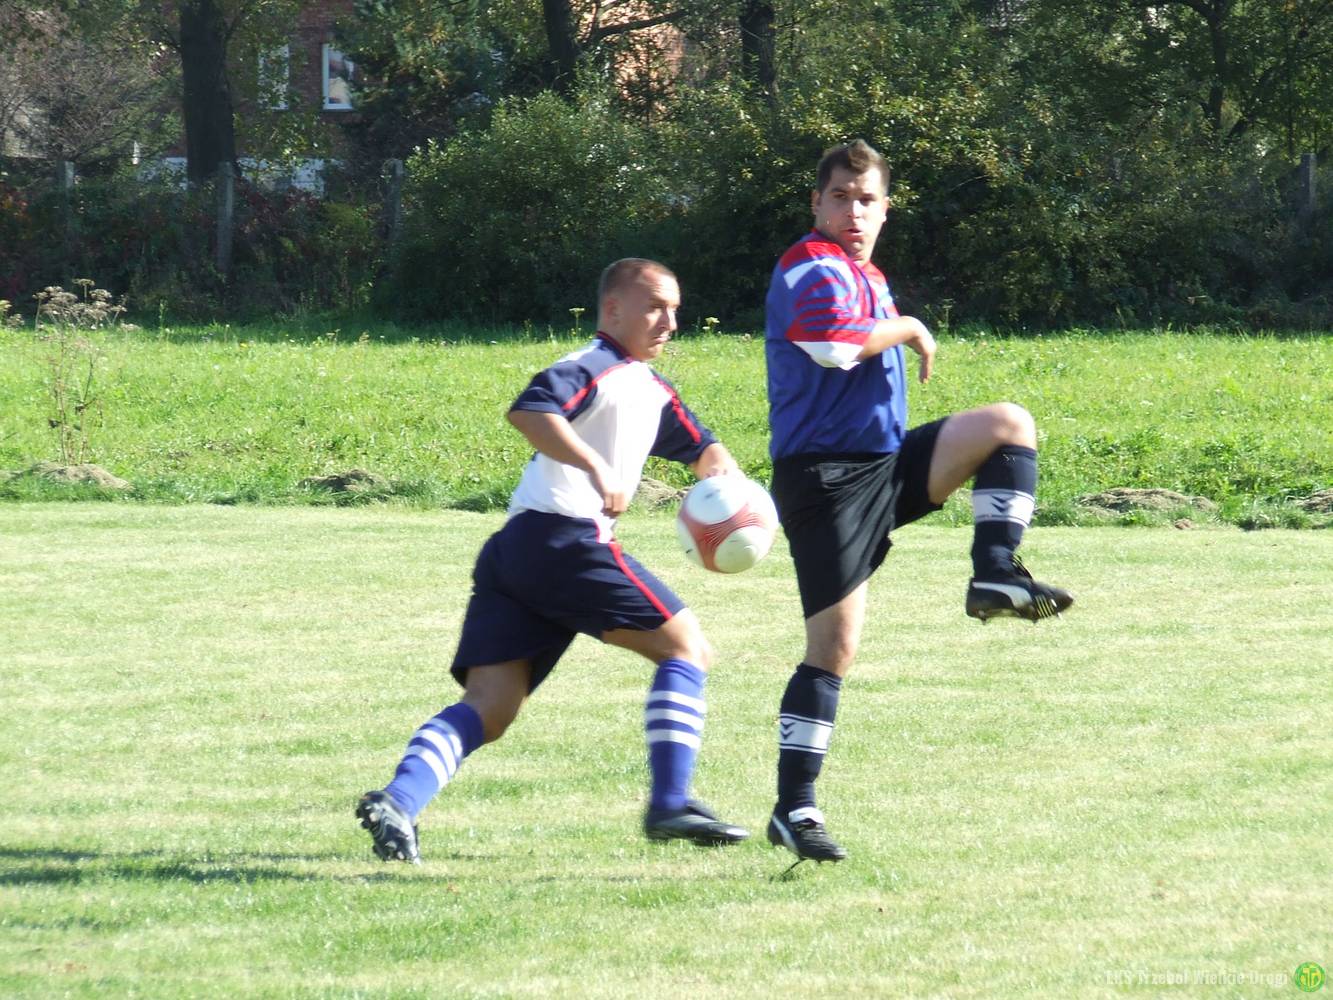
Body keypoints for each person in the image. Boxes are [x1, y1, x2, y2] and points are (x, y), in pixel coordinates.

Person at [357, 258, 750, 863]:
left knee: (491, 708)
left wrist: (739, 500)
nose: (670, 321)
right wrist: (595, 467)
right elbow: (530, 411)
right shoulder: (592, 365)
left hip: (516, 551)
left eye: (675, 308)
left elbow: (706, 452)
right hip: (565, 540)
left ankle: (398, 802)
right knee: (686, 649)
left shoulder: (650, 388)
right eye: (654, 306)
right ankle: (671, 802)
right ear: (612, 309)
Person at [763, 140, 1073, 864]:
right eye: (840, 197)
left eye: (866, 199)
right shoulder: (810, 264)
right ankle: (793, 807)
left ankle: (994, 572)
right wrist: (909, 327)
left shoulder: (864, 273)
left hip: (881, 464)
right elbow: (836, 348)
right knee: (833, 651)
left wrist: (901, 323)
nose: (853, 211)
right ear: (816, 203)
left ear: (885, 209)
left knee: (1006, 425)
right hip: (825, 481)